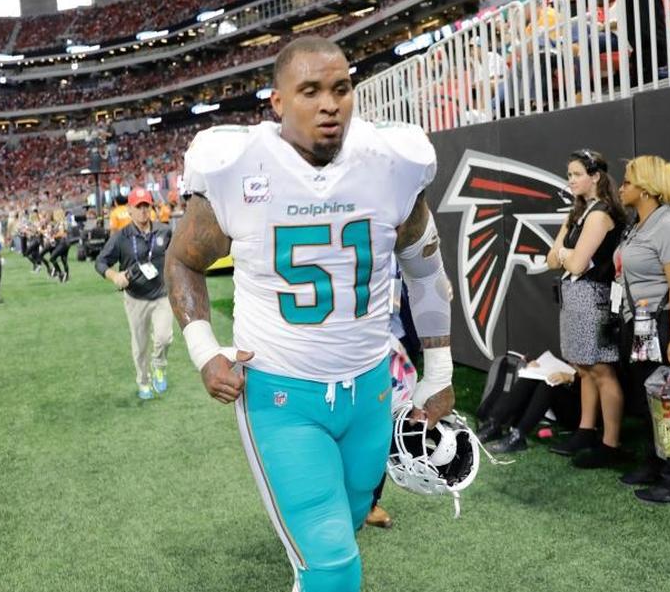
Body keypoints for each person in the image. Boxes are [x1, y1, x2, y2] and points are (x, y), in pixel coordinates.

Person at [166, 36, 455, 592]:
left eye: (341, 89)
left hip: (371, 389)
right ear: (277, 102)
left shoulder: (390, 163)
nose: (330, 105)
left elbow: (425, 271)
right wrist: (203, 351)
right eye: (311, 91)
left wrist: (439, 370)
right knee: (333, 564)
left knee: (347, 523)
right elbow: (183, 261)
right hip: (282, 395)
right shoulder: (237, 167)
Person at [616, 155, 670, 504]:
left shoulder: (669, 227)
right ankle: (654, 464)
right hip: (644, 324)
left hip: (669, 322)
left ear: (646, 190)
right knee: (650, 398)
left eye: (627, 182)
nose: (621, 187)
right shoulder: (639, 226)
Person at [546, 150, 627, 467]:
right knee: (583, 367)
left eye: (577, 174)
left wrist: (566, 254)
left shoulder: (600, 213)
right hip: (574, 295)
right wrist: (567, 254)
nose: (571, 180)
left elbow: (577, 264)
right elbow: (551, 260)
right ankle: (585, 430)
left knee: (602, 370)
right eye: (569, 174)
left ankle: (611, 443)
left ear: (595, 176)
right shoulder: (579, 212)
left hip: (596, 296)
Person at [95, 187, 174, 400]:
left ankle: (159, 366)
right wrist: (114, 276)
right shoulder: (121, 237)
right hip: (135, 298)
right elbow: (100, 262)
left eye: (146, 206)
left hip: (162, 295)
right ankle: (143, 381)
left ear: (151, 208)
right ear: (130, 210)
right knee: (140, 345)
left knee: (164, 337)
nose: (143, 210)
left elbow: (177, 255)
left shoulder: (164, 231)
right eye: (138, 207)